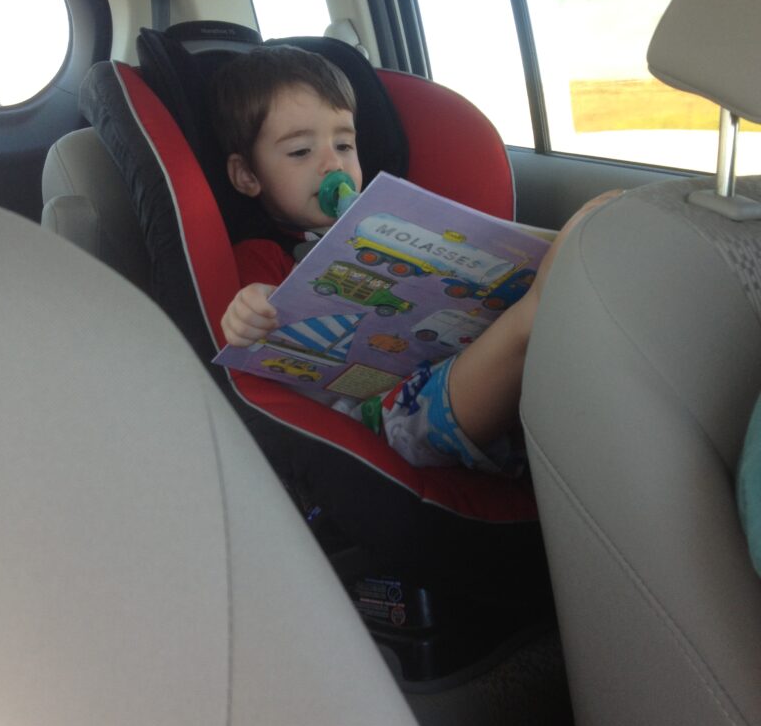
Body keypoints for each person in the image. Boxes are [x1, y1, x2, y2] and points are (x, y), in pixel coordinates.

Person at [212, 44, 612, 472]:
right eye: (300, 152)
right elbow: (242, 325)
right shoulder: (260, 255)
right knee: (456, 380)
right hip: (370, 419)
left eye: (345, 145)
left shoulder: (391, 227)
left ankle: (541, 311)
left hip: (441, 367)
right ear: (247, 175)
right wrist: (248, 309)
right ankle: (535, 311)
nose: (333, 164)